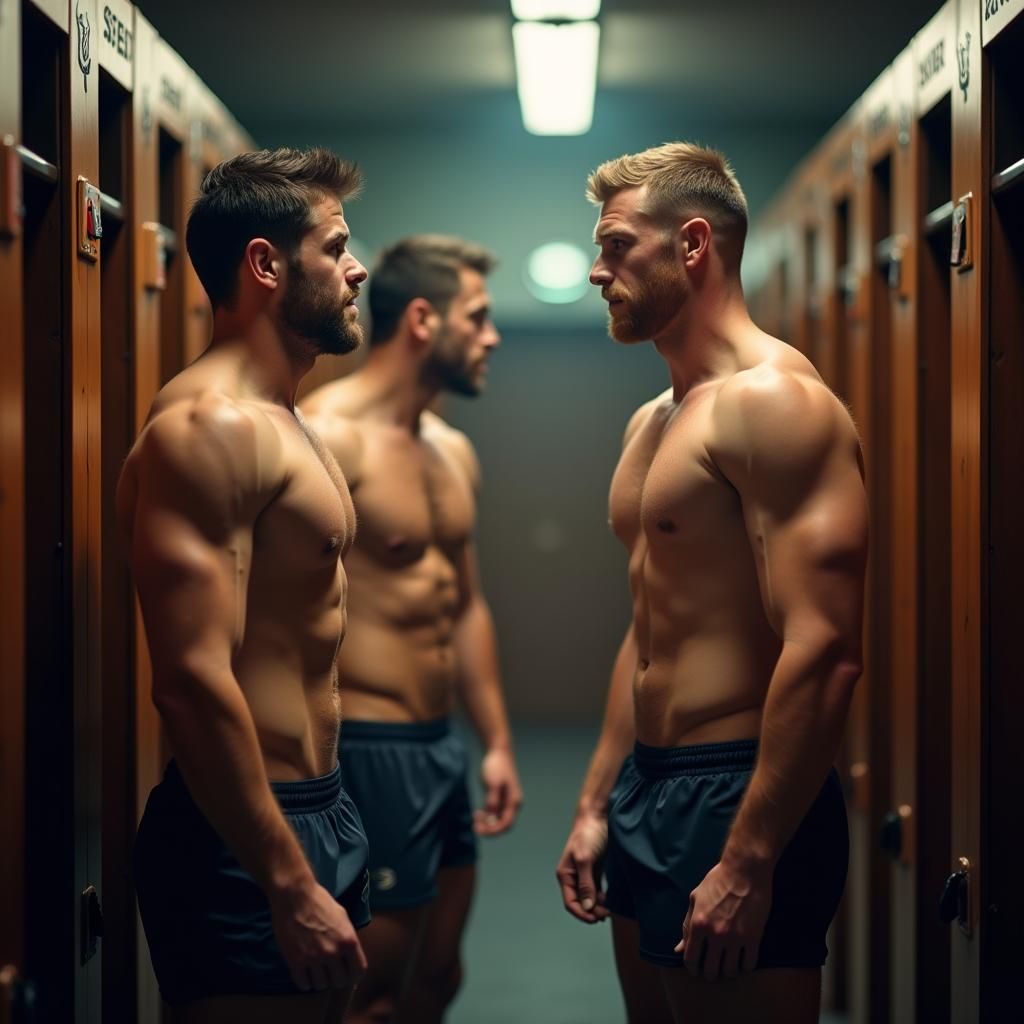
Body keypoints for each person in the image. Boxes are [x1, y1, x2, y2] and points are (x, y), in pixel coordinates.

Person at [555, 142, 867, 1024]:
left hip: (739, 788)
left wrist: (751, 856)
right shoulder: (651, 421)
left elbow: (826, 648)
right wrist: (596, 802)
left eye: (617, 247)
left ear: (693, 244)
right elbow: (649, 626)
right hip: (649, 781)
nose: (598, 272)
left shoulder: (776, 403)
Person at [118, 147, 372, 1024]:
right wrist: (287, 882)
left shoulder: (286, 420)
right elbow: (192, 678)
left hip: (319, 802)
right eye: (335, 247)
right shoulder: (208, 427)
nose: (356, 268)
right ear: (265, 264)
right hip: (242, 834)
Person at [301, 234, 523, 1023]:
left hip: (438, 745)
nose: (492, 337)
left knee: (438, 975)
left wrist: (495, 740)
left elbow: (464, 605)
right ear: (424, 320)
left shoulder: (452, 451)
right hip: (366, 748)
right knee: (373, 990)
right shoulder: (328, 436)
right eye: (479, 317)